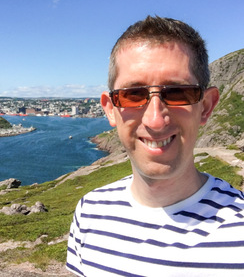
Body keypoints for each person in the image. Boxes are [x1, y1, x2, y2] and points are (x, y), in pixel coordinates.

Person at [66, 16, 244, 276]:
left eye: (177, 93)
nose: (155, 120)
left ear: (205, 107)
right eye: (133, 95)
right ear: (111, 110)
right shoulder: (90, 213)